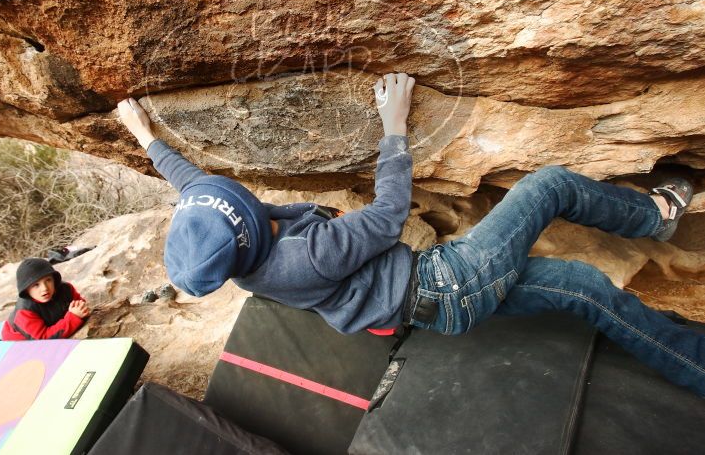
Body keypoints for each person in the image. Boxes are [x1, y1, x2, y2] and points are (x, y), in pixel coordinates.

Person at [117, 72, 704, 396]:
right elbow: (387, 215)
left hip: (434, 303)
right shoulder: (304, 257)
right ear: (248, 232)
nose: (240, 193)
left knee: (582, 287)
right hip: (450, 282)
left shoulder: (237, 252)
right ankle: (655, 215)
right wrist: (393, 127)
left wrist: (145, 136)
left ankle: (695, 364)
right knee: (547, 186)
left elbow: (193, 184)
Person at [0, 257, 90, 341]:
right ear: (26, 289)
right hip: (19, 340)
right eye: (36, 285)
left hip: (50, 323)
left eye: (48, 280)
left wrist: (81, 309)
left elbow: (81, 305)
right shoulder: (24, 312)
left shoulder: (66, 289)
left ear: (54, 279)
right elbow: (43, 338)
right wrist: (73, 318)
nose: (45, 288)